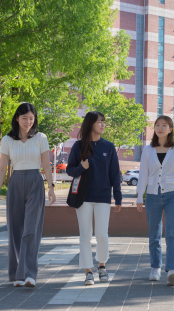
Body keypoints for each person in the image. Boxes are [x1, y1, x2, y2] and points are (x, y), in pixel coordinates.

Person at [0, 102, 57, 288]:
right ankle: (16, 275)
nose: (29, 121)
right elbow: (2, 168)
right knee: (14, 230)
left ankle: (29, 274)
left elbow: (46, 164)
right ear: (17, 119)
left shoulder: (41, 138)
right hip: (15, 183)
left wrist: (51, 187)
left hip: (35, 182)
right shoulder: (7, 140)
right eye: (24, 118)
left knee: (30, 230)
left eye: (31, 118)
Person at [66, 111, 122, 286]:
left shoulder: (109, 147)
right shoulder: (79, 146)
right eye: (99, 122)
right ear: (90, 124)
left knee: (102, 234)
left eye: (104, 122)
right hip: (83, 196)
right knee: (85, 235)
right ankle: (88, 271)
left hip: (103, 196)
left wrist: (118, 197)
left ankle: (102, 266)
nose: (103, 125)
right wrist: (81, 167)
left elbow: (115, 174)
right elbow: (70, 170)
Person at [136, 115, 174, 286]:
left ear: (170, 129)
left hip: (172, 195)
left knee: (172, 234)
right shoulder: (148, 149)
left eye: (164, 125)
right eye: (157, 125)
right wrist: (139, 197)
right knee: (154, 234)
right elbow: (143, 174)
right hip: (152, 195)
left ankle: (172, 269)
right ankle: (155, 268)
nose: (160, 128)